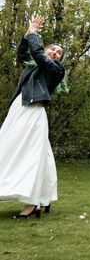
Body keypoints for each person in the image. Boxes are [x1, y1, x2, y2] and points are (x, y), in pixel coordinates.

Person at [0, 15, 65, 219]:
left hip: (33, 112)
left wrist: (34, 34)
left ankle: (32, 202)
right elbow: (23, 53)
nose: (54, 52)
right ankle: (37, 200)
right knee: (8, 148)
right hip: (18, 110)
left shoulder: (55, 70)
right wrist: (28, 32)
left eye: (59, 52)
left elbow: (37, 52)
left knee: (29, 154)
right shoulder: (32, 67)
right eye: (52, 49)